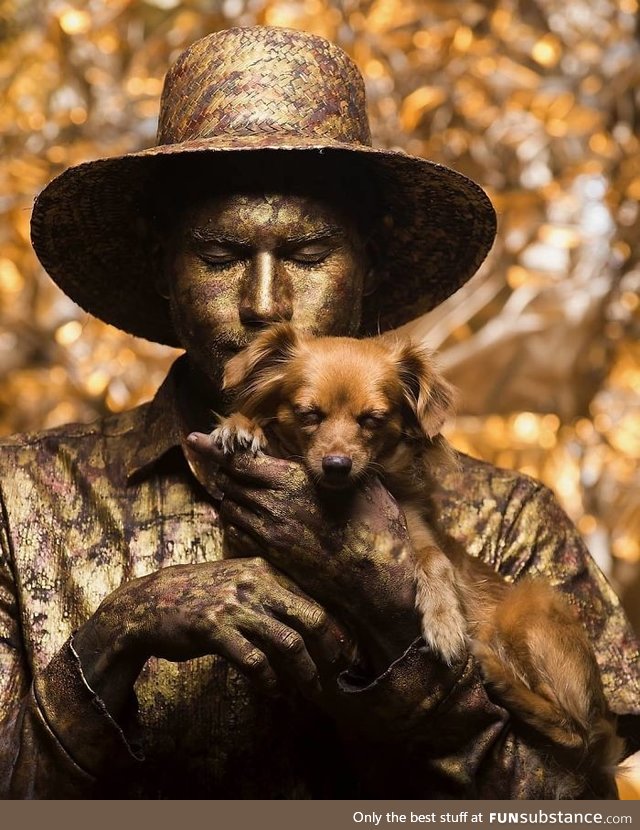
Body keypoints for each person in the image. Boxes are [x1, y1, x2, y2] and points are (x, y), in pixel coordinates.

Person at [1, 26, 638, 800]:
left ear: (369, 270)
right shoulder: (21, 499)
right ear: (161, 271)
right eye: (218, 256)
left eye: (307, 257)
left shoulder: (510, 520)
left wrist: (396, 618)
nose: (264, 301)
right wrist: (116, 633)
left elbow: (587, 799)